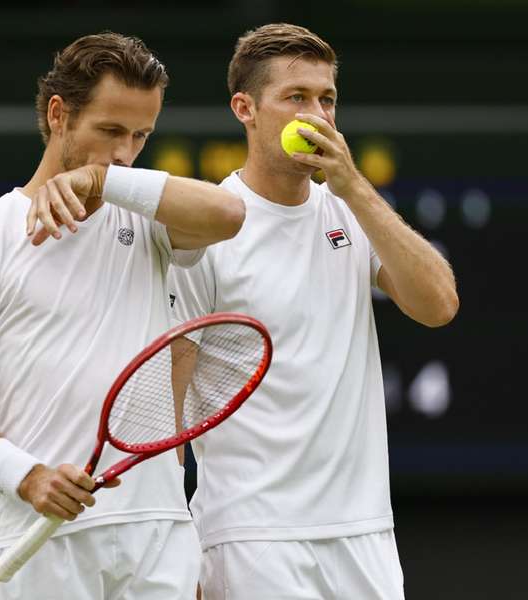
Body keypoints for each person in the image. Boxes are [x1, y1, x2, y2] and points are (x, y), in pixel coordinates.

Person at [0, 32, 245, 600]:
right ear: (58, 115)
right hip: (38, 534)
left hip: (157, 532)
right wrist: (29, 477)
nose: (126, 151)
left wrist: (102, 178)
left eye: (141, 135)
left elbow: (227, 213)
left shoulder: (150, 220)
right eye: (110, 131)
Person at [167, 24, 459, 599]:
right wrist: (176, 555)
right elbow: (171, 418)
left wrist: (353, 186)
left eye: (327, 99)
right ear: (244, 108)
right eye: (296, 97)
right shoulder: (207, 232)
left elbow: (439, 305)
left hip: (365, 537)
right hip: (251, 541)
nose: (318, 115)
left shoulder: (353, 210)